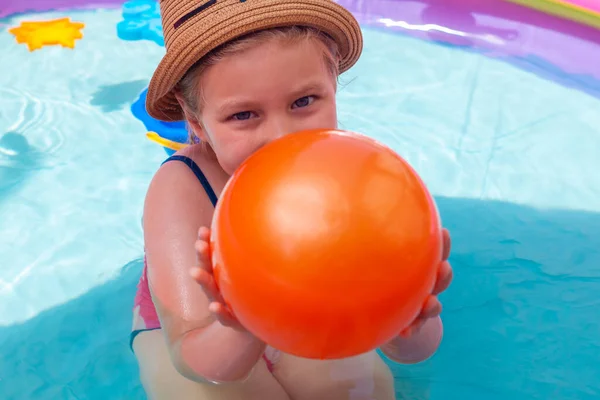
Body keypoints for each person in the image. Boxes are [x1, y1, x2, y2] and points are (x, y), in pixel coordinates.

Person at [131, 0, 454, 399]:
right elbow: (195, 361)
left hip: (304, 301)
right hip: (205, 329)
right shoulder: (182, 187)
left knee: (363, 392)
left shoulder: (358, 176)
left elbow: (412, 353)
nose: (283, 138)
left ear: (332, 82)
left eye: (303, 102)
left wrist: (407, 317)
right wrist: (244, 318)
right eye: (244, 115)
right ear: (195, 120)